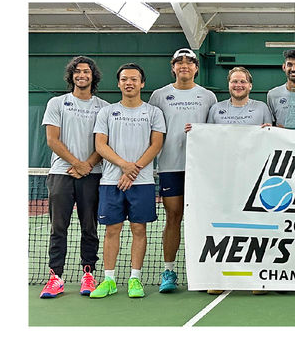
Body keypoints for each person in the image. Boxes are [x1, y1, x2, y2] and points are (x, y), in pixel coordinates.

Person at [90, 63, 165, 299]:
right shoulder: (106, 112)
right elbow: (100, 145)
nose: (129, 83)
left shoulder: (153, 112)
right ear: (119, 83)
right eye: (124, 79)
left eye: (134, 79)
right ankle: (109, 280)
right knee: (112, 230)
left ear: (142, 83)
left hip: (141, 183)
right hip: (111, 182)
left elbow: (156, 144)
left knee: (138, 229)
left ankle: (135, 279)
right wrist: (124, 166)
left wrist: (135, 170)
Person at [148, 48, 217, 293]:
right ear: (173, 67)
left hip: (201, 169)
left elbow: (215, 132)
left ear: (197, 68)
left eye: (189, 62)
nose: (184, 65)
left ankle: (205, 271)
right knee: (173, 217)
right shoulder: (159, 96)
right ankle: (169, 271)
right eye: (179, 61)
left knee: (202, 220)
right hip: (171, 166)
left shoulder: (208, 96)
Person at [39, 56, 109, 298]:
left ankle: (88, 275)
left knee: (89, 228)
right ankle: (55, 277)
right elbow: (52, 140)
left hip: (92, 175)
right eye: (77, 71)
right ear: (71, 76)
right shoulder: (57, 103)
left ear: (93, 76)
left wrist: (87, 165)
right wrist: (76, 164)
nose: (82, 75)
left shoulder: (103, 107)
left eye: (86, 72)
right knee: (58, 228)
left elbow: (104, 143)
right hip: (62, 174)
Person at [207, 66, 273, 295]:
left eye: (243, 82)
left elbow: (271, 138)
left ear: (250, 85)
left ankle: (257, 278)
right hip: (224, 178)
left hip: (255, 177)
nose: (238, 85)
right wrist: (195, 132)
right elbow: (208, 139)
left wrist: (269, 131)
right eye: (234, 81)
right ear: (229, 84)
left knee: (256, 227)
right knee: (224, 227)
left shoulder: (261, 108)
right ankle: (219, 278)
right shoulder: (216, 110)